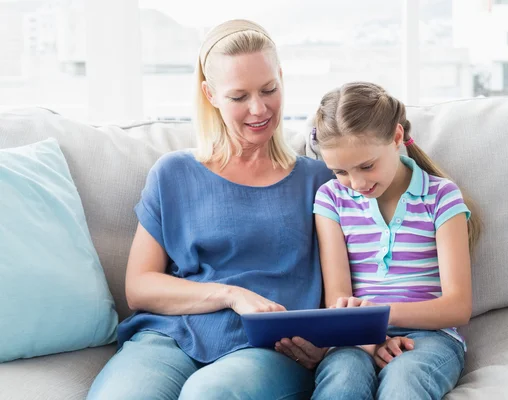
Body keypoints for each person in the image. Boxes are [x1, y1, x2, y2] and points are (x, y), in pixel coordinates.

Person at [87, 19, 332, 400]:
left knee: (209, 395)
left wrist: (328, 343)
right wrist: (231, 295)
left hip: (268, 349)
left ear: (282, 78)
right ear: (211, 94)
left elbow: (351, 286)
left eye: (269, 89)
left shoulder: (320, 181)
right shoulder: (174, 173)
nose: (258, 108)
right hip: (170, 336)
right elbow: (139, 287)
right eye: (239, 96)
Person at [310, 81, 482, 400]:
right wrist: (372, 339)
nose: (357, 183)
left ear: (397, 138)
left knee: (404, 381)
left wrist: (380, 313)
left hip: (430, 337)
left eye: (366, 166)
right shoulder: (331, 199)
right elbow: (339, 301)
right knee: (342, 381)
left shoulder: (441, 197)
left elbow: (458, 307)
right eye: (340, 171)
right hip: (355, 337)